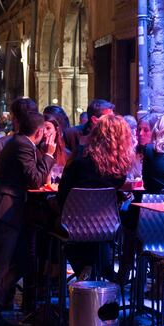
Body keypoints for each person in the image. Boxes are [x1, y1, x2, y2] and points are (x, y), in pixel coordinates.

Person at [0, 111, 57, 326]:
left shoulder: (20, 143)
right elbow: (34, 178)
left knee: (23, 260)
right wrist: (49, 155)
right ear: (39, 131)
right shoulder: (22, 145)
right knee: (2, 264)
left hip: (16, 211)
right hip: (8, 210)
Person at [58, 114, 135, 280]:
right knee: (98, 232)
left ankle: (67, 275)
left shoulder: (80, 157)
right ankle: (99, 271)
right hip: (106, 226)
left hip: (72, 223)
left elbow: (63, 192)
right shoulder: (119, 168)